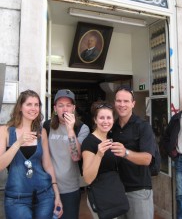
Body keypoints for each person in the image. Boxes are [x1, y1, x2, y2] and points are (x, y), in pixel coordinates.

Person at [0, 89, 63, 219]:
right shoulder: (5, 131)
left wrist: (56, 194)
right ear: (20, 107)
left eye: (37, 105)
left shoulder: (41, 132)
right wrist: (18, 143)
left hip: (44, 195)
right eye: (29, 104)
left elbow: (47, 165)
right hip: (17, 199)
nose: (33, 108)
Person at [43, 89, 90, 219]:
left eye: (68, 105)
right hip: (47, 186)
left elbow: (76, 156)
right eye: (61, 105)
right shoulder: (47, 126)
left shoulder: (82, 128)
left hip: (70, 188)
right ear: (55, 108)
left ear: (73, 108)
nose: (65, 109)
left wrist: (70, 129)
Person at [111, 86, 155, 219]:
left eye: (126, 101)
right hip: (117, 190)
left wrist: (125, 152)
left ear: (133, 104)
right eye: (119, 101)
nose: (122, 104)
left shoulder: (143, 126)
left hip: (139, 190)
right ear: (114, 103)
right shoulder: (112, 127)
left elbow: (147, 159)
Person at [81, 102, 117, 219]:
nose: (105, 121)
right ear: (95, 120)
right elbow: (87, 178)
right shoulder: (89, 142)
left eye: (108, 118)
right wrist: (99, 155)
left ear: (113, 120)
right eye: (101, 118)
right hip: (100, 196)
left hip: (112, 193)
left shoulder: (111, 139)